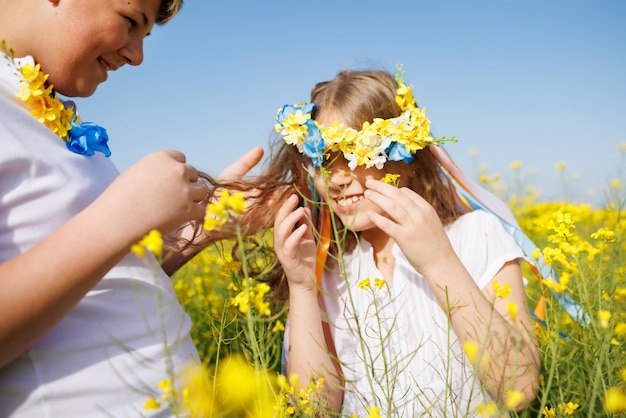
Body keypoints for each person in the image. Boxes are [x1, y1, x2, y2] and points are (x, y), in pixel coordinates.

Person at [0, 0, 263, 415]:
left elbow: (97, 283)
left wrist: (197, 232)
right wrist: (125, 213)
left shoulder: (46, 110)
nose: (136, 56)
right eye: (129, 22)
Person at [236, 68, 541, 416]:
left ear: (406, 157)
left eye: (354, 154)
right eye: (322, 159)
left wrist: (440, 263)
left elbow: (521, 387)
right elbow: (315, 410)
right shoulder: (328, 269)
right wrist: (303, 287)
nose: (336, 179)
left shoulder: (474, 235)